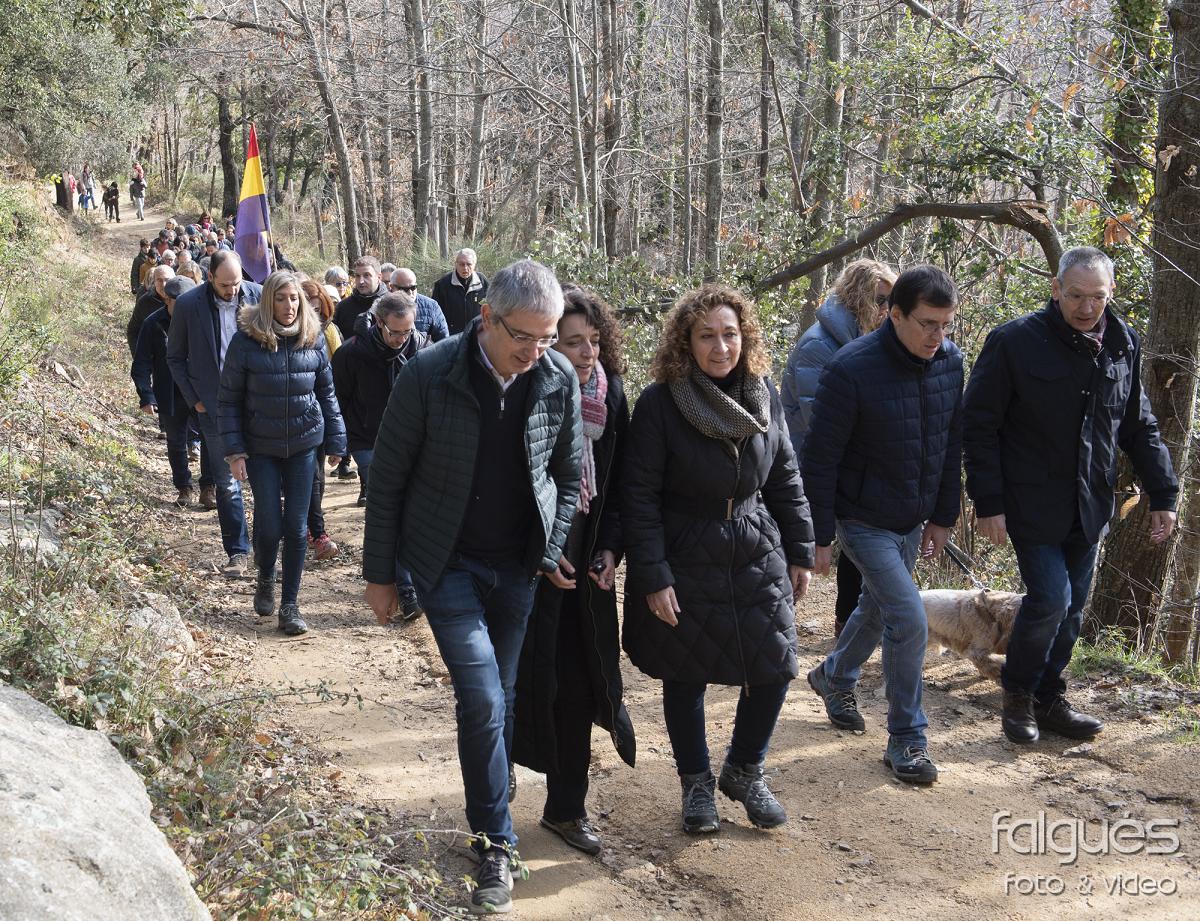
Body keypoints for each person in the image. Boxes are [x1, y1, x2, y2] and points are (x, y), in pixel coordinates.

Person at [361, 259, 581, 915]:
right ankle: (495, 843)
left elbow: (568, 475)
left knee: (501, 694)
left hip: (518, 567)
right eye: (523, 336)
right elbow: (389, 479)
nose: (535, 351)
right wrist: (380, 575)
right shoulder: (430, 374)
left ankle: (491, 781)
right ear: (487, 318)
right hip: (445, 563)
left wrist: (549, 548)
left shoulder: (557, 378)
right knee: (483, 698)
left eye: (547, 337)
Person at [963, 246, 1178, 744]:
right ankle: (1017, 695)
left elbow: (1138, 425)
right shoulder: (1014, 341)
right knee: (1051, 599)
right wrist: (988, 502)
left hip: (1091, 503)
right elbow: (978, 426)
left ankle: (1049, 697)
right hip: (1030, 501)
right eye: (1076, 295)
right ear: (1056, 288)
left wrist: (1164, 493)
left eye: (1097, 297)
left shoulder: (1122, 342)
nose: (1086, 307)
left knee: (1074, 605)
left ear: (1110, 293)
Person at [622, 283, 814, 835]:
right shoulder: (661, 404)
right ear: (685, 342)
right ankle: (696, 784)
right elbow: (639, 495)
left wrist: (800, 548)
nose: (720, 347)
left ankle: (745, 769)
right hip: (684, 547)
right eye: (706, 336)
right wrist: (653, 574)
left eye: (730, 334)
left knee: (775, 664)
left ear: (744, 337)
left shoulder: (763, 392)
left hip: (754, 543)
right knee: (686, 673)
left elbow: (785, 474)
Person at [803, 265, 963, 786]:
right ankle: (907, 739)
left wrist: (943, 516)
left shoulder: (951, 363)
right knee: (909, 618)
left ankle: (833, 676)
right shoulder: (850, 367)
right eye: (927, 324)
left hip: (911, 518)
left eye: (945, 324)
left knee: (876, 608)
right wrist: (818, 535)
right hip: (860, 517)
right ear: (894, 314)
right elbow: (820, 457)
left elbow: (950, 445)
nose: (937, 336)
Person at [512, 285, 635, 856]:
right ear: (547, 345)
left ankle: (566, 808)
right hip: (525, 573)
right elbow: (512, 487)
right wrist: (542, 551)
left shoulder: (613, 398)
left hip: (586, 579)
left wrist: (610, 548)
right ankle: (493, 797)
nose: (587, 353)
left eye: (594, 341)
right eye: (572, 343)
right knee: (512, 686)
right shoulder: (526, 393)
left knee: (580, 688)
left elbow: (622, 486)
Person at [218, 271, 347, 636]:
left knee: (296, 526)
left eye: (293, 299)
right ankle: (265, 575)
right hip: (261, 447)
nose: (288, 306)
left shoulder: (313, 337)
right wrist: (235, 451)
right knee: (271, 524)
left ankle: (290, 604)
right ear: (268, 302)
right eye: (280, 299)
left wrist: (337, 440)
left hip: (304, 445)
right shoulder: (246, 341)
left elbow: (327, 393)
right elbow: (229, 400)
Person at [782, 259, 896, 637]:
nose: (887, 309)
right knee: (797, 552)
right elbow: (820, 420)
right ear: (858, 296)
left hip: (851, 462)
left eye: (891, 300)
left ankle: (847, 623)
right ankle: (774, 628)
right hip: (807, 463)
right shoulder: (820, 344)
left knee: (859, 540)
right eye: (880, 299)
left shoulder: (869, 340)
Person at [333, 291, 431, 617]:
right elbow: (338, 399)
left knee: (412, 515)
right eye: (395, 332)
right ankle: (407, 592)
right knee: (392, 511)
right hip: (367, 441)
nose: (402, 339)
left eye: (407, 331)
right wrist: (340, 442)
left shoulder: (422, 349)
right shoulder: (351, 353)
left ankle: (411, 580)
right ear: (378, 322)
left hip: (413, 444)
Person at [166, 250, 259, 576]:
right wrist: (195, 400)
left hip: (259, 405)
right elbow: (175, 357)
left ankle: (266, 550)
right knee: (227, 482)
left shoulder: (259, 296)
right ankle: (238, 552)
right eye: (224, 285)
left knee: (263, 480)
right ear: (210, 278)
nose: (232, 290)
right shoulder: (188, 305)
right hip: (214, 407)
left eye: (236, 283)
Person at [132, 276, 201, 506]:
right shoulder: (153, 323)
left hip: (200, 390)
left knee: (210, 439)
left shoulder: (202, 320)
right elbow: (141, 363)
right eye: (177, 303)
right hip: (170, 391)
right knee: (176, 441)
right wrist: (146, 396)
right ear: (167, 301)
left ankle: (209, 486)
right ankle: (184, 487)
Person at [300, 278, 343, 562]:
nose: (313, 315)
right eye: (309, 309)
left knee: (317, 476)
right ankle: (315, 531)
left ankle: (312, 527)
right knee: (309, 477)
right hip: (295, 415)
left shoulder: (329, 333)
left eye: (317, 310)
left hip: (323, 411)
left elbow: (338, 372)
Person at [432, 247, 489, 336]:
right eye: (462, 264)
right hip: (451, 336)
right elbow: (435, 314)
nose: (465, 268)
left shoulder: (482, 282)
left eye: (469, 264)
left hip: (477, 334)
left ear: (474, 265)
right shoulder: (442, 284)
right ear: (456, 264)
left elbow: (490, 307)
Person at [332, 255, 388, 340]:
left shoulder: (392, 304)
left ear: (379, 277)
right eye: (357, 276)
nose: (361, 281)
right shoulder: (343, 307)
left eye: (366, 275)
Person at [389, 267, 450, 341]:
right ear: (392, 287)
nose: (410, 292)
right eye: (404, 289)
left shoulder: (431, 306)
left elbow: (443, 340)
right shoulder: (382, 306)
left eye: (413, 287)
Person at [128, 265, 174, 356]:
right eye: (159, 280)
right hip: (154, 358)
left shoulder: (181, 300)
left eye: (167, 280)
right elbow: (134, 331)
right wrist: (139, 356)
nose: (164, 284)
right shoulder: (145, 302)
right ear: (154, 282)